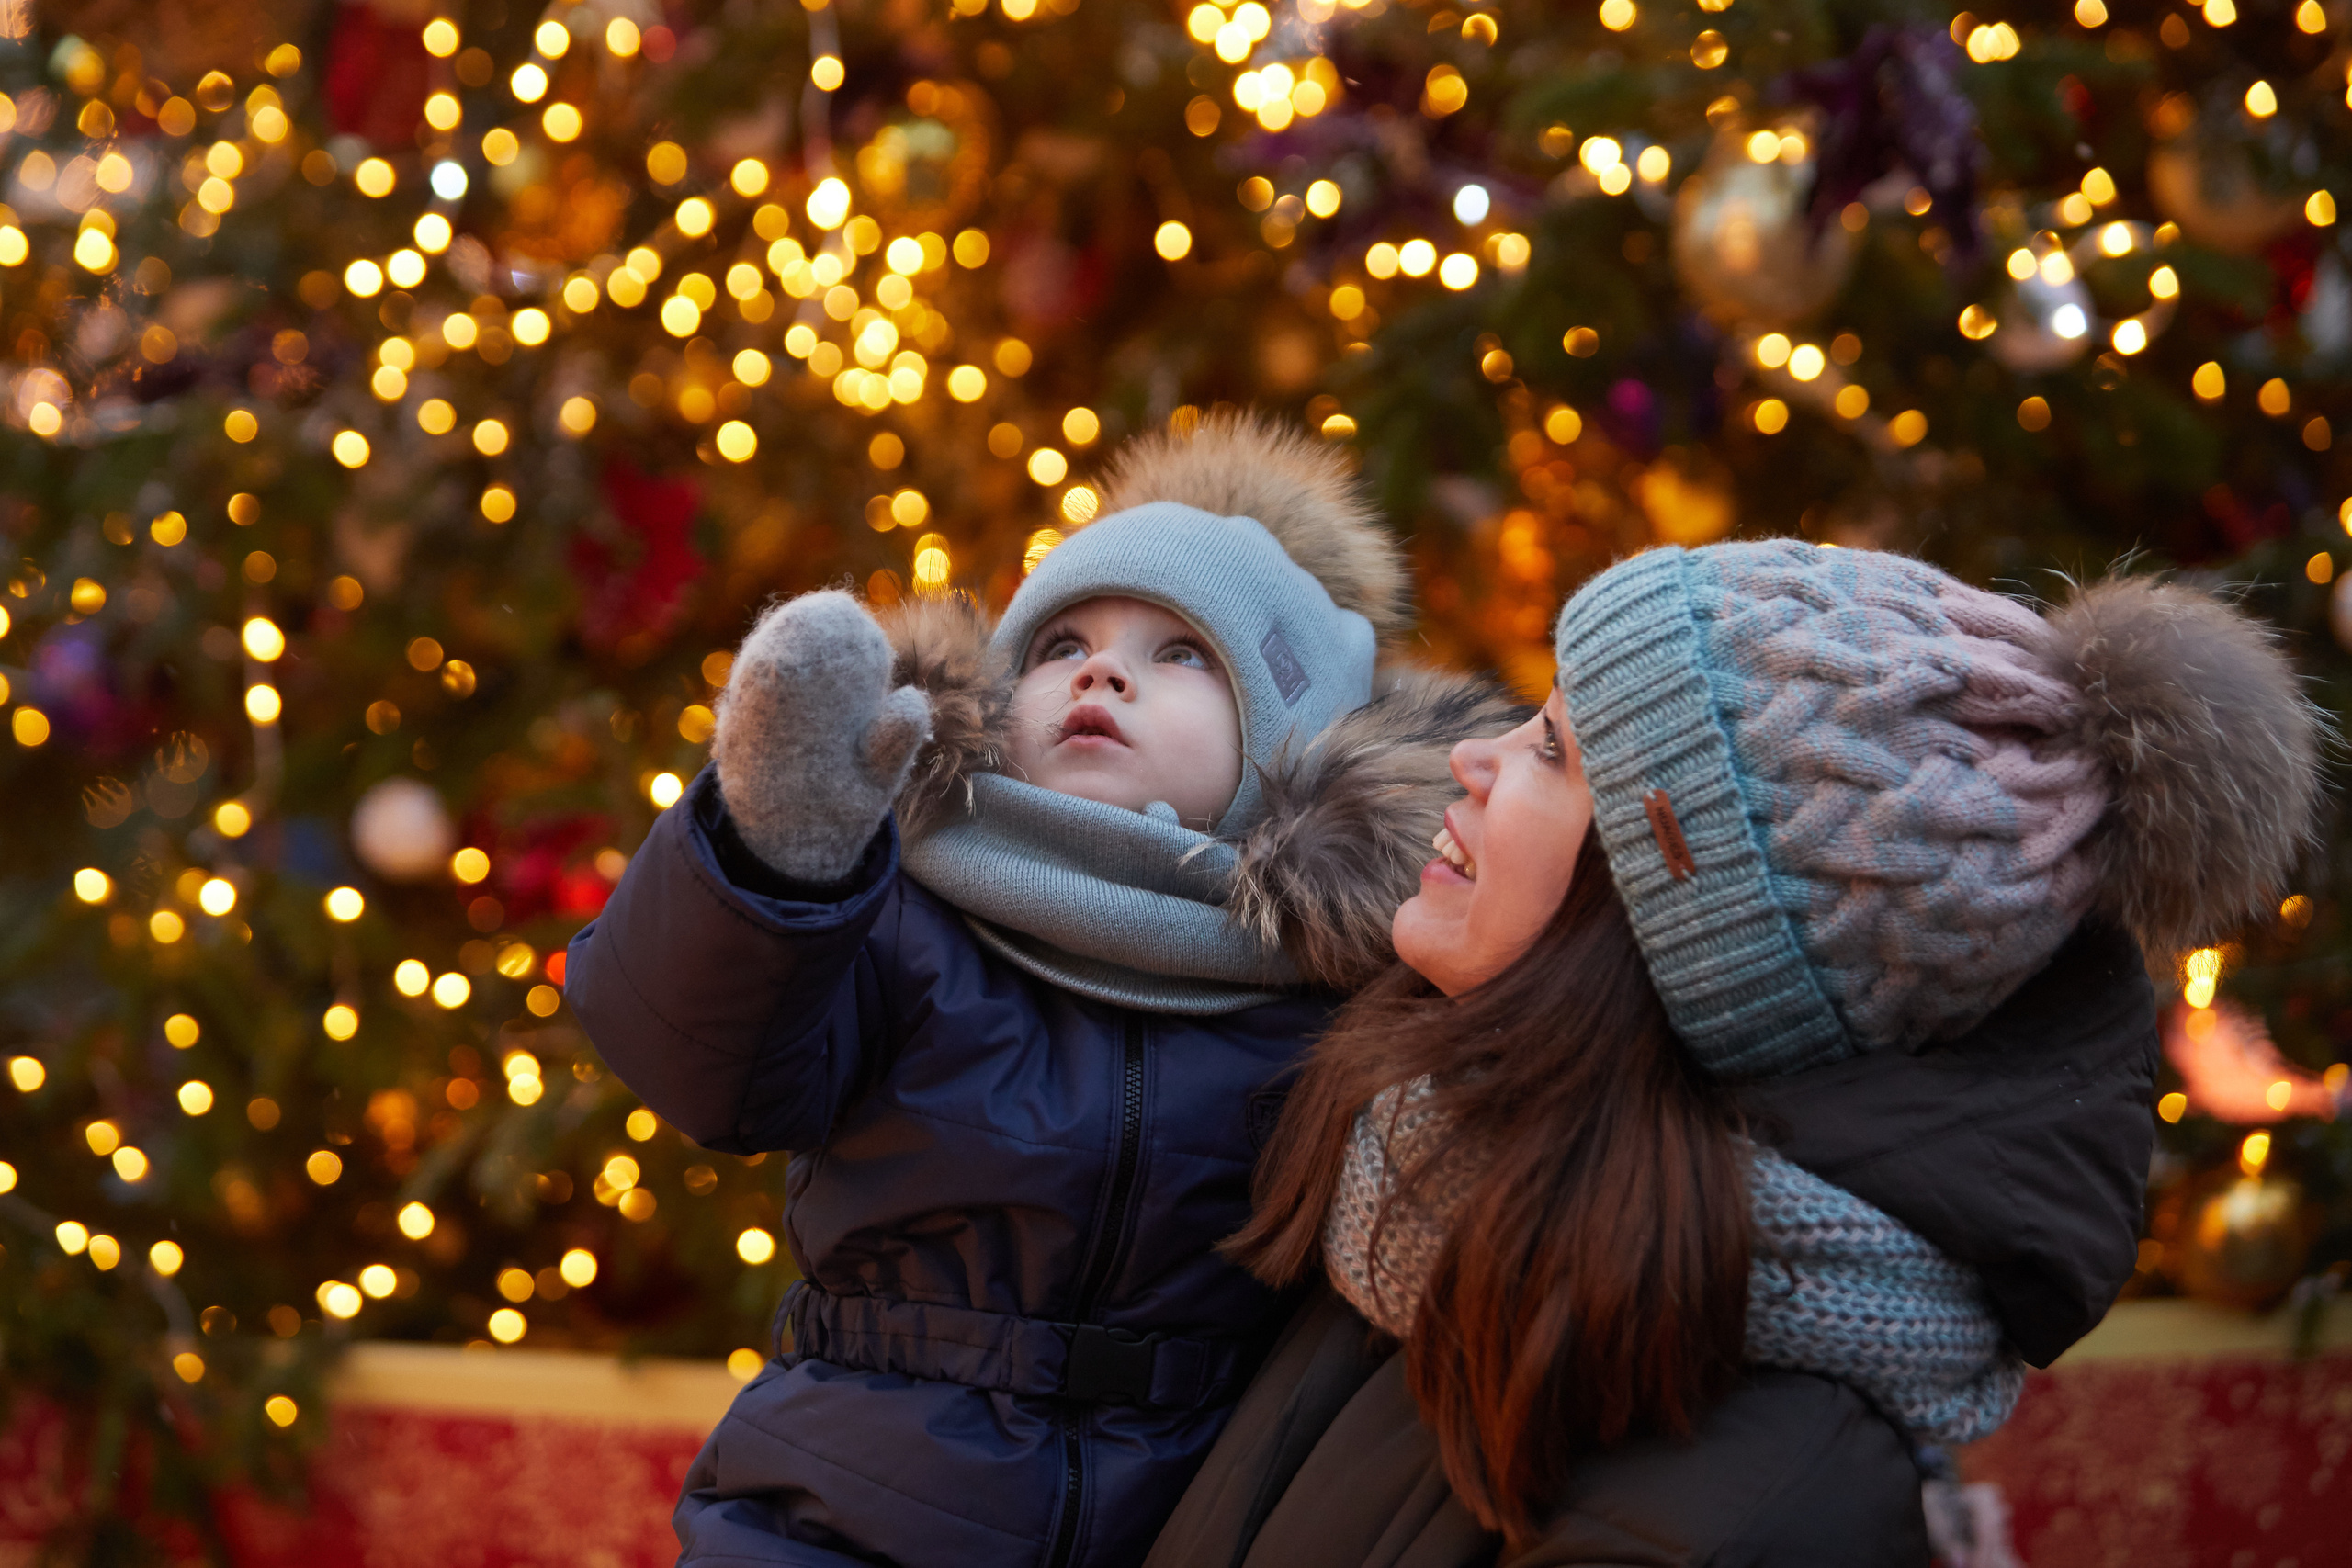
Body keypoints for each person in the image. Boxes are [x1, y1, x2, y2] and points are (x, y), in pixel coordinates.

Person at [1145, 539, 2324, 1567]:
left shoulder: (1754, 1497)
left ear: (1677, 928)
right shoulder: (1423, 1194)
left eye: (1555, 751)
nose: (1474, 760)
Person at [563, 412, 1517, 1568]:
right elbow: (706, 1059)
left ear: (1292, 748)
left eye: (1182, 655)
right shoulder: (916, 910)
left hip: (1185, 1512)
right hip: (850, 1504)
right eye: (1062, 643)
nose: (1102, 669)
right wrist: (780, 855)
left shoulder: (1332, 980)